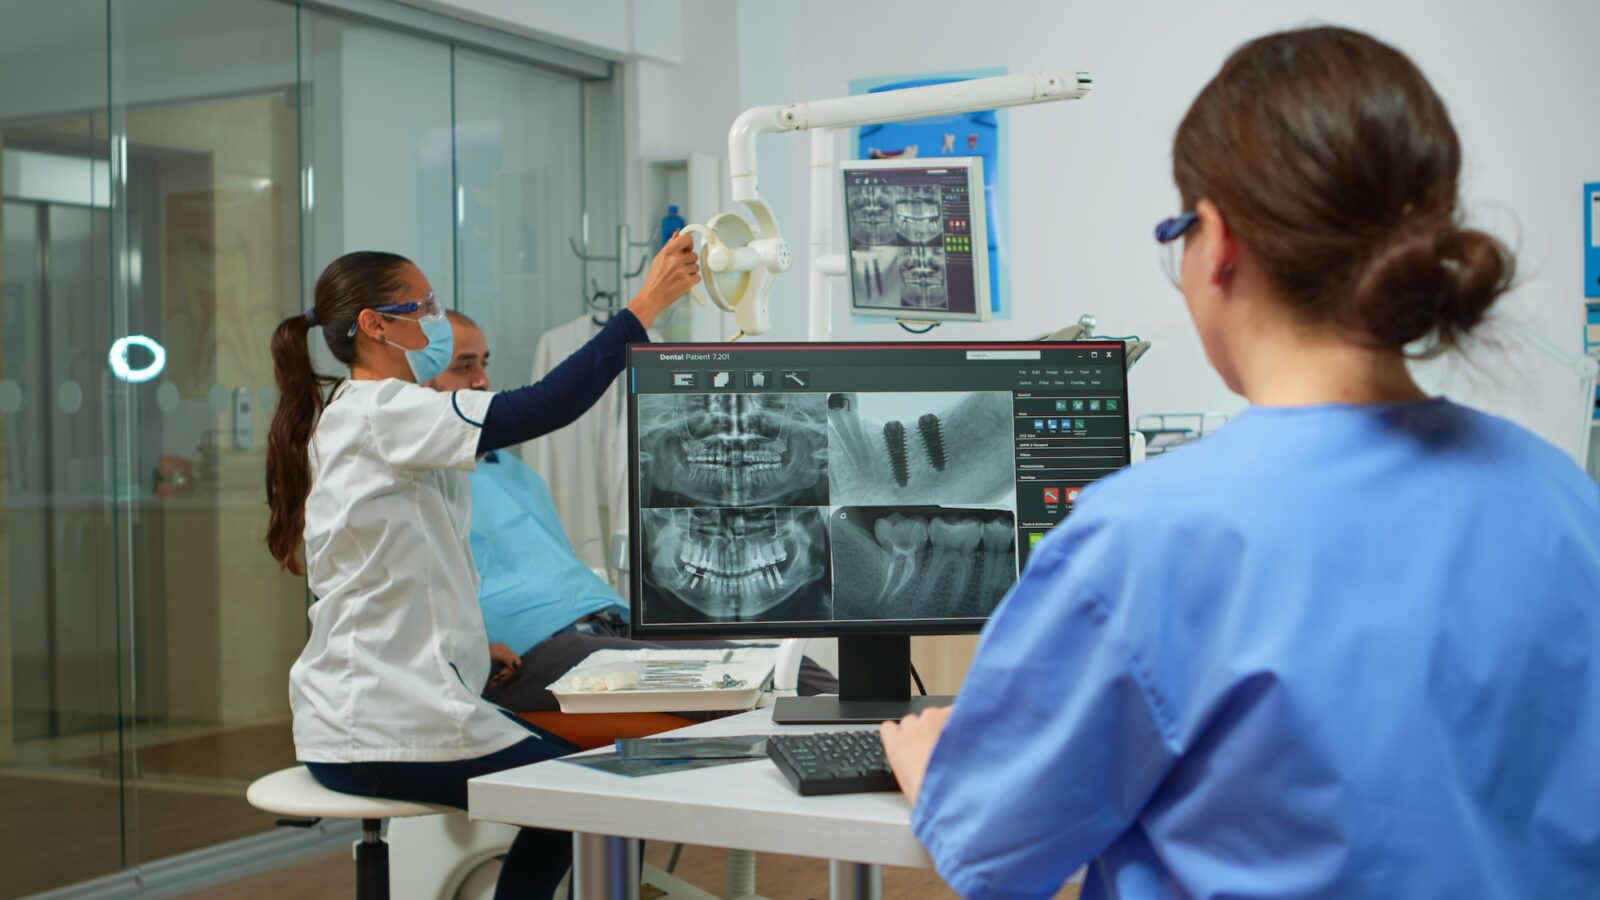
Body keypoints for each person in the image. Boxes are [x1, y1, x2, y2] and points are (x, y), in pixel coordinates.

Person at [879, 26, 1600, 899]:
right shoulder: (1563, 500)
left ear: (1215, 242)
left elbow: (999, 849)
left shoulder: (1145, 536)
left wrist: (938, 775)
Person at [264, 234, 699, 899]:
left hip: (369, 717)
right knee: (603, 799)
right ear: (375, 326)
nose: (436, 317)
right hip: (387, 731)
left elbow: (403, 574)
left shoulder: (365, 416)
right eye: (424, 305)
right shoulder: (385, 411)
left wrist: (467, 644)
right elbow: (544, 405)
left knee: (580, 794)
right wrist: (644, 306)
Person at [426, 309, 838, 712]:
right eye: (464, 366)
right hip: (533, 650)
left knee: (794, 667)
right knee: (739, 682)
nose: (483, 380)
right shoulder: (421, 481)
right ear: (420, 381)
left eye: (483, 363)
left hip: (607, 621)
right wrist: (474, 650)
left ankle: (893, 754)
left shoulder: (511, 469)